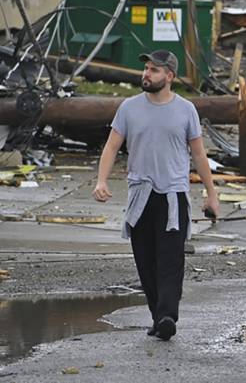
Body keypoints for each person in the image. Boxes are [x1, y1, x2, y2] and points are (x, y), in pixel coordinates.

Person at [94, 50, 219, 341]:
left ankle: (167, 316)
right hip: (141, 195)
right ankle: (157, 316)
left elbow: (199, 155)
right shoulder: (128, 107)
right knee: (145, 261)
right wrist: (101, 180)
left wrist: (211, 195)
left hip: (173, 196)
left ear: (170, 77)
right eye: (147, 68)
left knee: (170, 260)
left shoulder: (186, 109)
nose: (146, 74)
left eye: (154, 70)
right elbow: (112, 147)